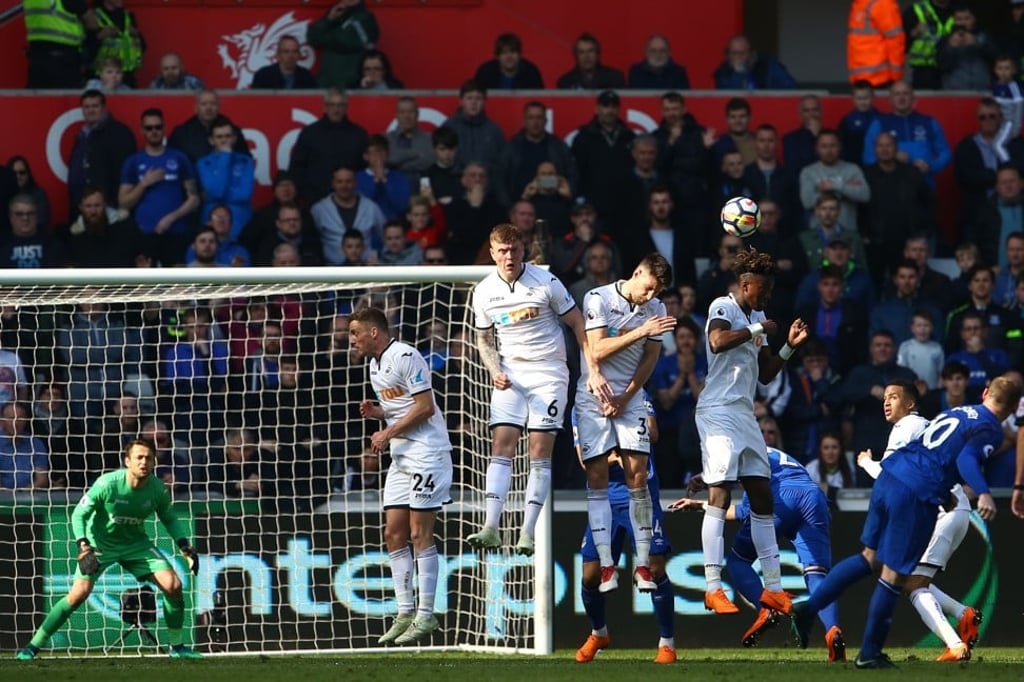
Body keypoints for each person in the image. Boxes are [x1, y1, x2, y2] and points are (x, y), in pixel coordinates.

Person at [791, 375, 1020, 668]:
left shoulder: (957, 411)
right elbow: (966, 459)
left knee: (868, 558)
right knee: (896, 577)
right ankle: (870, 652)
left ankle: (809, 609)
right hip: (915, 494)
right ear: (1013, 408)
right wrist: (984, 493)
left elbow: (933, 452)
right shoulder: (990, 428)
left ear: (985, 392)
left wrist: (944, 491)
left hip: (890, 479)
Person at [466, 223, 611, 555]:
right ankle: (491, 526)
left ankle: (527, 532)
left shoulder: (546, 282)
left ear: (523, 250)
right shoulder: (484, 291)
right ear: (492, 253)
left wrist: (592, 368)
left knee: (538, 451)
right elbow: (483, 337)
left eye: (514, 250)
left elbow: (577, 322)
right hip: (511, 373)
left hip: (548, 373)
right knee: (501, 446)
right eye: (502, 251)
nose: (509, 257)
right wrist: (493, 369)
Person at [695, 247, 809, 616]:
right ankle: (713, 586)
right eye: (763, 289)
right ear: (746, 285)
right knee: (720, 494)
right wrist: (759, 329)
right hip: (717, 411)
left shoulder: (757, 315)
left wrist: (789, 346)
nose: (768, 296)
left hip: (744, 414)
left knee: (762, 496)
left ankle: (774, 588)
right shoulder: (723, 307)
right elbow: (717, 341)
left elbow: (766, 373)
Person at [15, 439, 202, 660]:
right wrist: (83, 545)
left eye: (148, 458)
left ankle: (177, 647)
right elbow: (79, 514)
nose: (144, 462)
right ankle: (33, 646)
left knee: (173, 585)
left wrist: (183, 545)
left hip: (136, 545)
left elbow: (169, 517)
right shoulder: (107, 483)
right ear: (127, 461)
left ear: (154, 462)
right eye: (139, 457)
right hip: (100, 545)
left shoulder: (157, 489)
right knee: (78, 594)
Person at [670, 447, 844, 661]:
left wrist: (706, 480)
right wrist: (700, 505)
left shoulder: (741, 448)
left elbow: (726, 471)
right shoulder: (773, 453)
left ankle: (765, 609)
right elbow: (741, 510)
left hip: (780, 496)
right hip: (814, 496)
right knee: (817, 574)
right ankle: (833, 631)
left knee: (738, 560)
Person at [856, 379, 982, 660]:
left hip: (940, 511)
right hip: (951, 507)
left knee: (913, 585)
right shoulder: (925, 427)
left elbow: (888, 476)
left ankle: (955, 645)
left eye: (894, 397)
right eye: (884, 397)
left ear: (910, 403)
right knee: (907, 578)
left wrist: (865, 462)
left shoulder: (907, 426)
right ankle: (964, 615)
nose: (886, 402)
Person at [350, 307, 453, 646]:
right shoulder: (372, 365)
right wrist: (377, 412)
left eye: (356, 334)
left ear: (374, 333)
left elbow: (425, 407)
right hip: (401, 455)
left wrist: (386, 430)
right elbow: (401, 406)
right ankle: (405, 611)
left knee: (419, 532)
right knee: (393, 533)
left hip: (427, 452)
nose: (352, 340)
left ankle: (426, 614)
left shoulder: (406, 355)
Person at [575, 253, 676, 593]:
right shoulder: (598, 298)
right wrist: (642, 330)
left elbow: (650, 358)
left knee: (639, 472)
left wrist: (628, 395)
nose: (651, 297)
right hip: (593, 392)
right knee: (597, 475)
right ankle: (607, 566)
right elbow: (598, 349)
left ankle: (643, 565)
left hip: (629, 396)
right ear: (636, 272)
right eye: (648, 288)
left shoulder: (657, 309)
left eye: (657, 292)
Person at [573, 391, 678, 665]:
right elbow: (584, 459)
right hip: (605, 499)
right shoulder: (582, 402)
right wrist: (609, 455)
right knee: (590, 576)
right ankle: (599, 633)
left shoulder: (638, 393)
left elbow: (653, 434)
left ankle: (667, 643)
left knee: (654, 569)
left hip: (640, 495)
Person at [307, 0, 379, 89]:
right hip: (326, 86)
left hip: (351, 87)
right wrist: (329, 19)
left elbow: (342, 41)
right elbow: (312, 38)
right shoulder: (336, 12)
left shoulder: (366, 18)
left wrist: (324, 33)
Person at [24, 0, 95, 89]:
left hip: (37, 54)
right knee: (68, 97)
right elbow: (92, 23)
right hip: (63, 56)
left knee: (37, 95)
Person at [847, 0, 905, 87]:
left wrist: (895, 77)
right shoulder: (861, 4)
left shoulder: (882, 4)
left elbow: (895, 41)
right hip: (862, 79)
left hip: (879, 78)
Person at [713, 35, 798, 90]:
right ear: (728, 55)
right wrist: (738, 73)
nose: (738, 57)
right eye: (734, 53)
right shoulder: (723, 73)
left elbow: (791, 89)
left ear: (751, 54)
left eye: (742, 53)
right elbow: (730, 97)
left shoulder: (768, 66)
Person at [473, 33, 544, 90]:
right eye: (504, 53)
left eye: (513, 52)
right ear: (497, 56)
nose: (509, 57)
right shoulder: (485, 73)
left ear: (520, 54)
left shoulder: (531, 73)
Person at [556, 32, 626, 90]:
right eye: (581, 52)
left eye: (590, 51)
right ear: (576, 56)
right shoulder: (565, 82)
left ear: (598, 53)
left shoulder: (615, 78)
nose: (586, 56)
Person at [251, 34, 317, 89]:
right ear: (278, 55)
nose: (291, 56)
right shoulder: (263, 76)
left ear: (299, 55)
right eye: (286, 52)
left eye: (294, 51)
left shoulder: (306, 76)